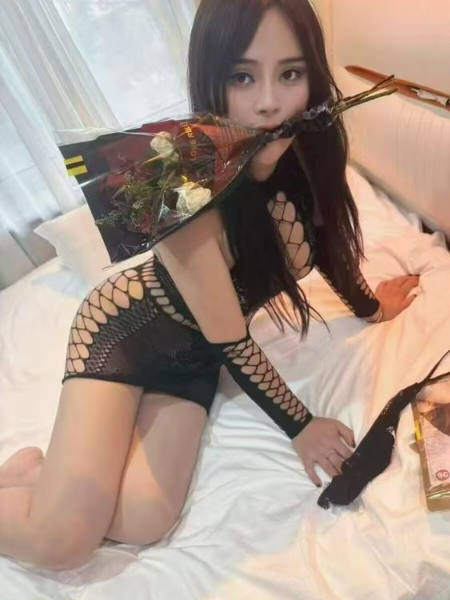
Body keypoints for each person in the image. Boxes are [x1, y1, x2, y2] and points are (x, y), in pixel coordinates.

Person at [0, 0, 419, 570]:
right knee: (62, 542)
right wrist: (301, 427)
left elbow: (327, 249)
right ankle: (35, 486)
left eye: (290, 73)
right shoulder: (185, 191)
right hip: (126, 336)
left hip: (196, 355)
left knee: (144, 519)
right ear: (211, 80)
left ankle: (36, 474)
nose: (269, 101)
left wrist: (371, 309)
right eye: (242, 77)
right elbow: (233, 338)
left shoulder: (306, 156)